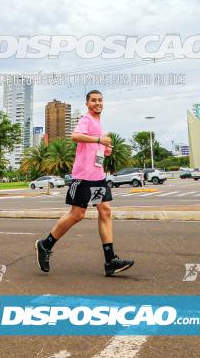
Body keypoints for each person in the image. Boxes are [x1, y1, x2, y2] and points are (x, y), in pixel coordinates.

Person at [35, 90, 134, 276]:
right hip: (83, 177)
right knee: (77, 214)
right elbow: (75, 136)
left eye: (100, 100)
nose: (98, 103)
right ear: (88, 103)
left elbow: (92, 147)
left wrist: (103, 150)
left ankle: (110, 260)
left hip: (98, 177)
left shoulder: (97, 123)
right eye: (94, 100)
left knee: (105, 211)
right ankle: (45, 244)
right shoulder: (87, 119)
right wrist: (99, 140)